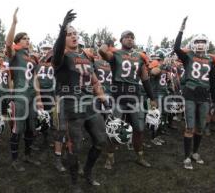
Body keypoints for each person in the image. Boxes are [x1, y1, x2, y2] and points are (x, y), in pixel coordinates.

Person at [53, 10, 108, 192]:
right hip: (71, 106)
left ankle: (88, 171)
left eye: (75, 33)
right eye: (69, 34)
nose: (73, 36)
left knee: (101, 141)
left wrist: (102, 97)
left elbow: (94, 80)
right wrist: (62, 31)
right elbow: (57, 50)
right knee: (74, 148)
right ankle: (74, 182)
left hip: (89, 104)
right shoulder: (61, 57)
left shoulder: (85, 56)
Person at [99, 30, 157, 168]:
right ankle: (110, 157)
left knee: (139, 129)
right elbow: (101, 51)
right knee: (114, 128)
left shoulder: (139, 57)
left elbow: (145, 79)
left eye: (132, 37)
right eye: (127, 37)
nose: (130, 39)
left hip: (134, 97)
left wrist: (152, 97)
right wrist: (108, 41)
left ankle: (140, 156)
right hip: (118, 97)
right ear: (121, 40)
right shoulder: (116, 53)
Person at [174, 17, 215, 170]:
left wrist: (214, 99)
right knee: (189, 127)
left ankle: (195, 153)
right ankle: (186, 157)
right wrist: (181, 29)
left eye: (203, 42)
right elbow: (176, 48)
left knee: (200, 127)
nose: (200, 44)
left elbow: (212, 81)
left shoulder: (211, 60)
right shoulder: (188, 57)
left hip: (204, 95)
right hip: (190, 94)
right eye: (198, 41)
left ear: (206, 44)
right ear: (193, 44)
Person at [6, 8, 42, 172]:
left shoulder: (33, 57)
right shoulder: (15, 53)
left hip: (31, 95)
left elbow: (35, 78)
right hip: (20, 95)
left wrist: (39, 97)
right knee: (18, 128)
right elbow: (7, 43)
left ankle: (27, 156)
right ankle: (14, 160)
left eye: (28, 38)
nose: (28, 40)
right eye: (25, 38)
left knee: (30, 128)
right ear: (18, 41)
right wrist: (14, 23)